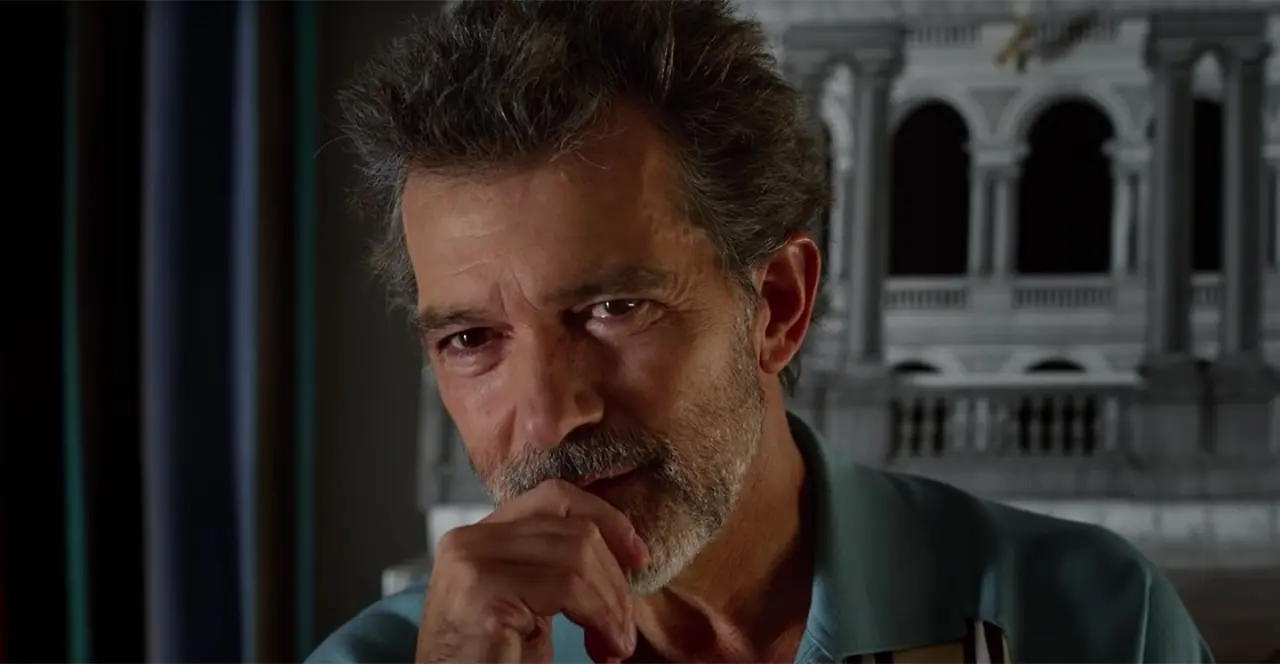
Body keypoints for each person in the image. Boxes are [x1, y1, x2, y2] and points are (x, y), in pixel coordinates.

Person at [308, 1, 1212, 662]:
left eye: (614, 308)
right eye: (472, 339)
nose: (549, 417)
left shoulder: (1097, 625)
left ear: (776, 305)